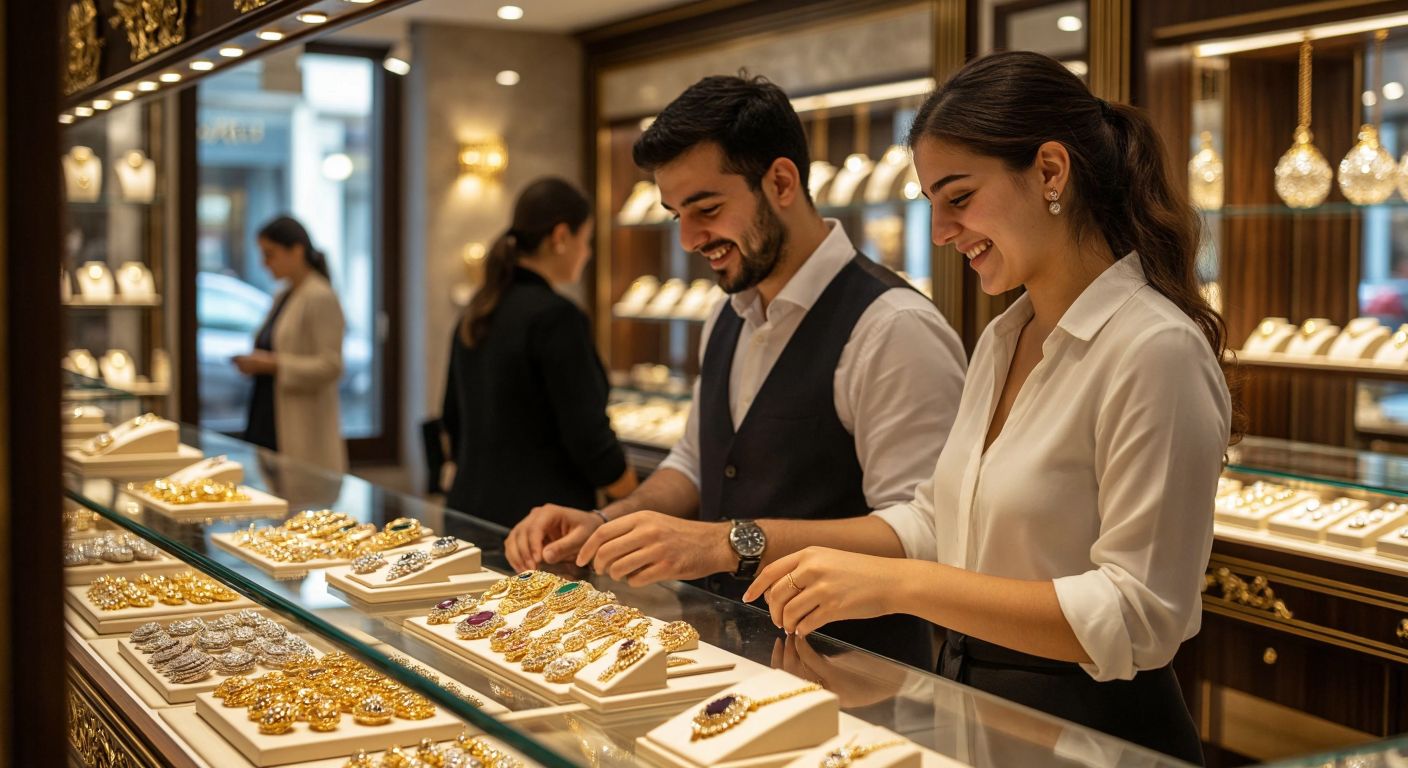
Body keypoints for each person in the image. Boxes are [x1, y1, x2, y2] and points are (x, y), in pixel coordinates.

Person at [742, 52, 1234, 764]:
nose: (940, 231)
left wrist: (899, 586)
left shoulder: (1155, 349)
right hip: (984, 714)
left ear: (1052, 172)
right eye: (930, 203)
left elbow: (1138, 614)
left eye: (959, 197)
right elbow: (942, 522)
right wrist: (770, 550)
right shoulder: (1005, 338)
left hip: (1099, 738)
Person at [505, 75, 968, 668]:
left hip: (856, 675)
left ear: (781, 182)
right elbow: (694, 463)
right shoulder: (727, 314)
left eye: (707, 209)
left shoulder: (894, 327)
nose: (689, 239)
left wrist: (728, 542)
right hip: (733, 661)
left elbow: (923, 532)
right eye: (676, 214)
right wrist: (602, 524)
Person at [441, 177, 637, 529]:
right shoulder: (557, 317)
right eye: (586, 240)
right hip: (539, 525)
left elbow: (451, 420)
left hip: (469, 510)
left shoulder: (479, 309)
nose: (588, 253)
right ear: (560, 237)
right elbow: (587, 434)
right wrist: (634, 496)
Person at [233, 216, 347, 473]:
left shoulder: (320, 296)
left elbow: (331, 365)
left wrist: (274, 365)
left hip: (302, 425)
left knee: (298, 491)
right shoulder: (284, 294)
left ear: (296, 251)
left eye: (270, 254)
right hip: (268, 411)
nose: (264, 263)